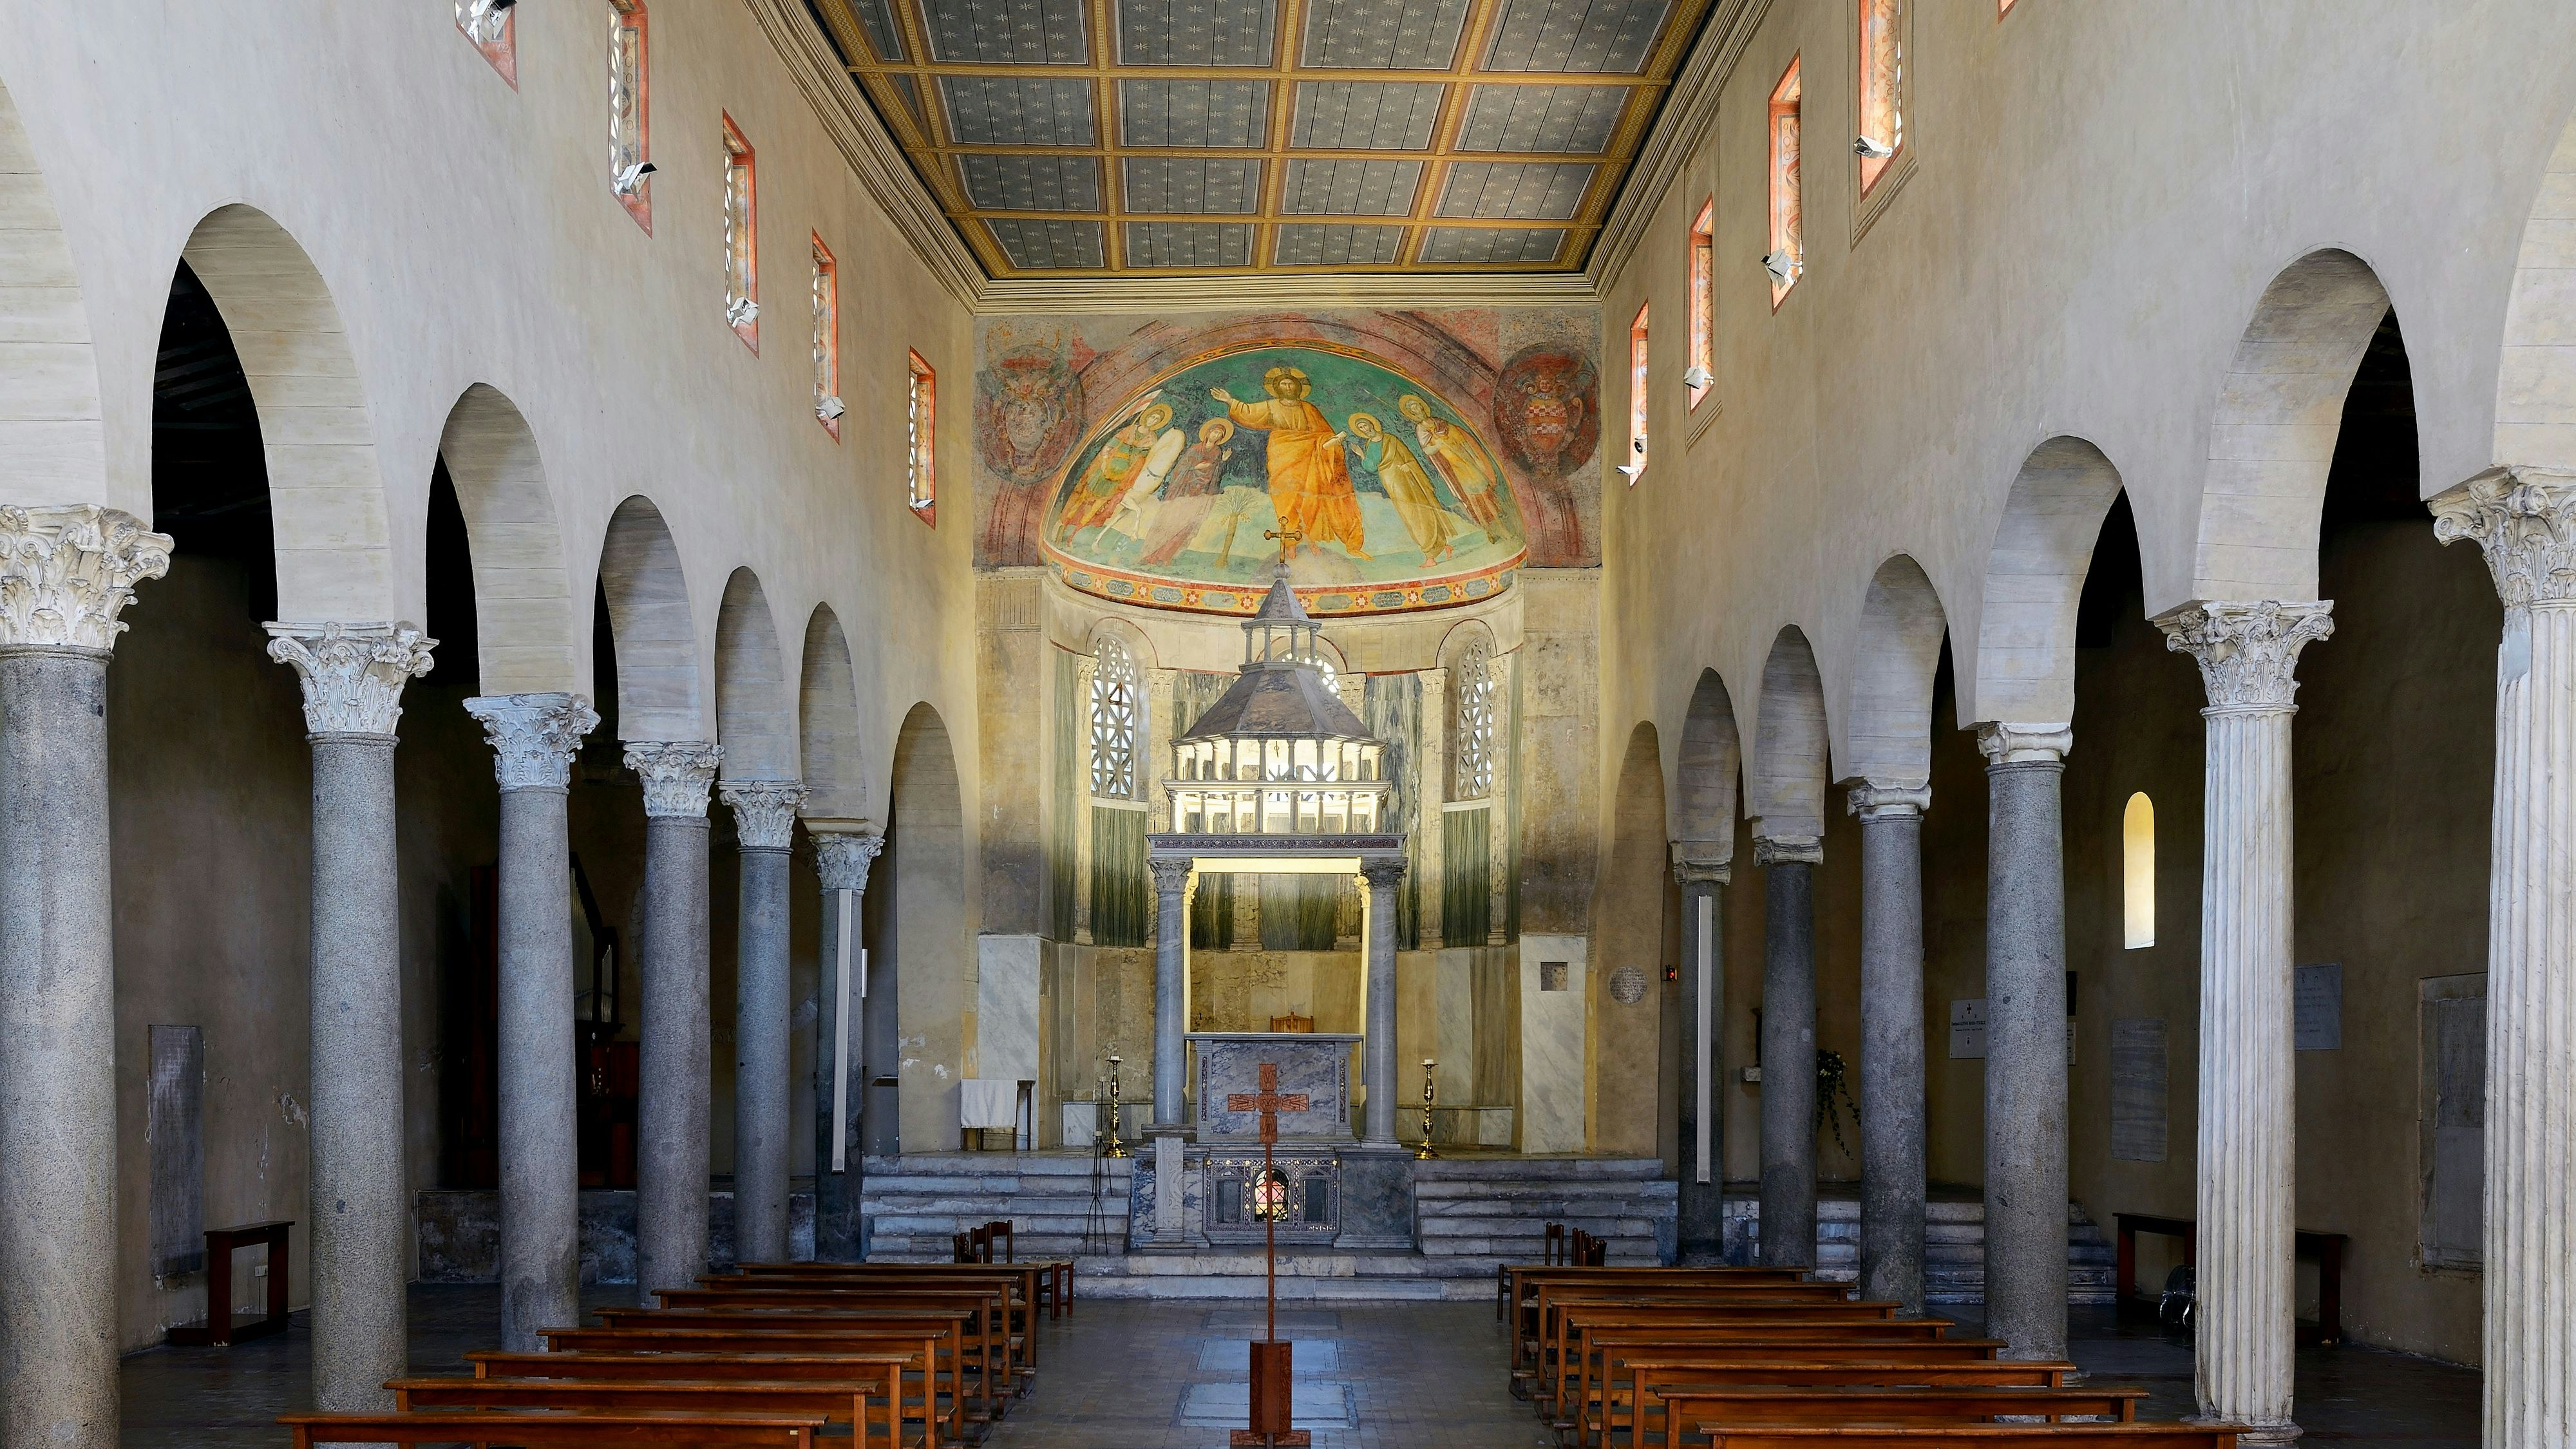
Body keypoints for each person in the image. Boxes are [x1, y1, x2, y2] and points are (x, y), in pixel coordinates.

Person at [1212, 366, 1368, 560]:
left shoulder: (1309, 409)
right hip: (1282, 456)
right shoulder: (1271, 406)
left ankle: (1310, 539)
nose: (1287, 387)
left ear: (1298, 388)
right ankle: (1290, 541)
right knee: (1286, 498)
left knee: (1311, 498)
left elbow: (1325, 433)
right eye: (1284, 384)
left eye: (1291, 384)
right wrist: (1230, 401)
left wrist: (1331, 442)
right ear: (1277, 388)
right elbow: (1250, 412)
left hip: (1309, 458)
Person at [1345, 412, 1469, 565]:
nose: (1365, 429)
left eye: (1366, 425)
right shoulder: (1369, 445)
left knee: (1419, 513)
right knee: (1409, 517)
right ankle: (1442, 547)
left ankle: (1430, 555)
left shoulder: (1391, 439)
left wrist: (1408, 466)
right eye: (1361, 428)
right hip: (1390, 483)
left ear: (1372, 424)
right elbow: (1371, 467)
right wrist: (1362, 455)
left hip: (1406, 481)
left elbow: (1409, 457)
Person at [1057, 400, 1179, 536]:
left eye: (1157, 420)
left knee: (1098, 505)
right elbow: (1109, 446)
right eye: (1152, 417)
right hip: (1106, 470)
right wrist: (1104, 463)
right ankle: (1064, 525)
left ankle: (1075, 533)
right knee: (1083, 498)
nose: (1153, 421)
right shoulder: (1130, 430)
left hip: (1121, 476)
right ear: (1147, 416)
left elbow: (1144, 460)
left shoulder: (1152, 439)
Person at [1398, 393, 1502, 542]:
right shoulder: (1421, 429)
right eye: (1413, 409)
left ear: (1422, 407)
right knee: (1472, 499)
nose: (1417, 410)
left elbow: (1462, 441)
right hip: (1455, 467)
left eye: (1417, 406)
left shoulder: (1440, 422)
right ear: (1412, 413)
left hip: (1466, 460)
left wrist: (1476, 458)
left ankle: (1500, 526)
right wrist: (1438, 444)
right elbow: (1427, 450)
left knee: (1486, 494)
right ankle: (1488, 529)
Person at [1137, 418, 1238, 566]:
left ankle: (1164, 557)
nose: (1216, 436)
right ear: (1208, 432)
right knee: (1168, 523)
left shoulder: (1217, 452)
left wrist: (1221, 462)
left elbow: (1215, 474)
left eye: (1219, 434)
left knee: (1186, 527)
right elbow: (1182, 468)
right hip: (1183, 493)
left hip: (1200, 495)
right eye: (1215, 432)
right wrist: (1197, 467)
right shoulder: (1195, 449)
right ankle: (1149, 555)